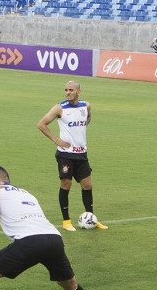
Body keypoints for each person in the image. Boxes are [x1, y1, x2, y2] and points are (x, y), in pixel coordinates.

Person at [37, 80, 107, 231]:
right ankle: (66, 221)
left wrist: (85, 123)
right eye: (66, 90)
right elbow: (41, 124)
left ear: (78, 92)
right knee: (66, 185)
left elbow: (88, 115)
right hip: (66, 155)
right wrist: (56, 140)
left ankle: (91, 218)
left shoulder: (85, 105)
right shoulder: (59, 108)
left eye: (71, 90)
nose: (67, 92)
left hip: (81, 154)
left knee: (87, 185)